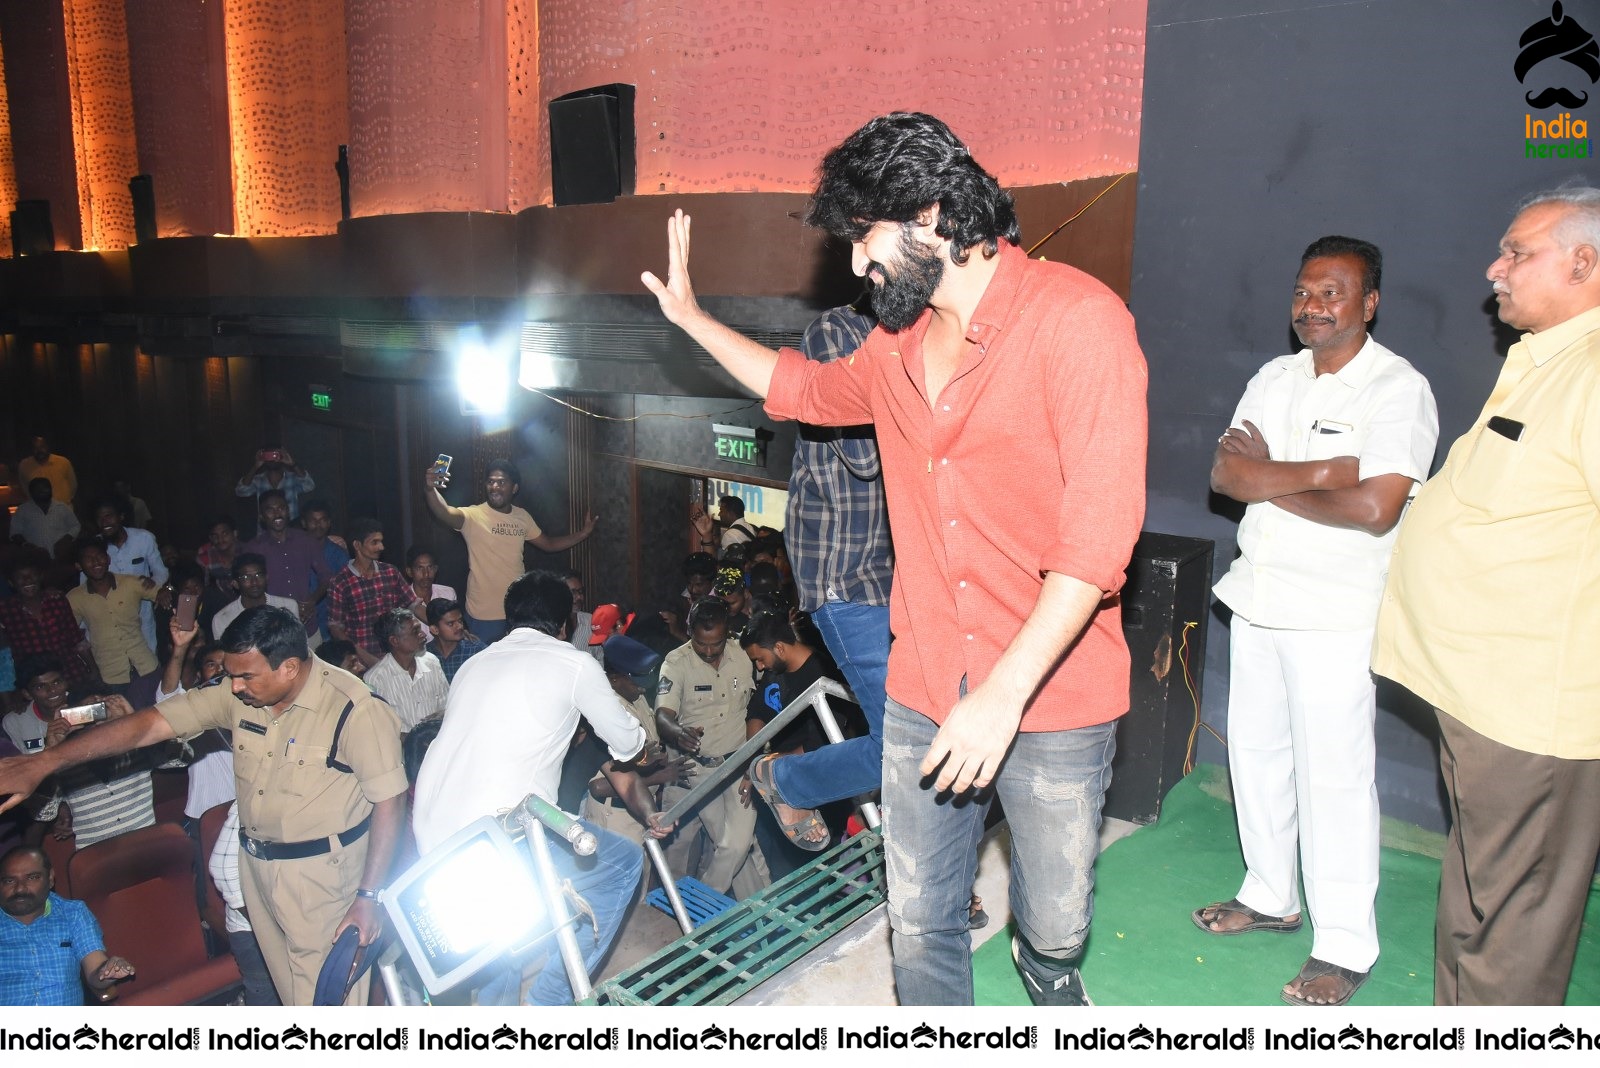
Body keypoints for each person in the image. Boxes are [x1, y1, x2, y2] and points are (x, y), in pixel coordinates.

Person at [642, 112, 1147, 1006]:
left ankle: (1049, 961)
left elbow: (1098, 541)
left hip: (1056, 695)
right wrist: (690, 319)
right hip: (925, 683)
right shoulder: (895, 350)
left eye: (863, 241)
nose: (854, 267)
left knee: (1057, 919)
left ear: (930, 215)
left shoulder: (1079, 322)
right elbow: (795, 387)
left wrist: (1003, 695)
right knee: (918, 922)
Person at [1373, 185, 1600, 1006]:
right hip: (1485, 705)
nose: (1493, 269)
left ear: (1584, 262)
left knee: (1516, 927)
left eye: (1517, 253)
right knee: (1477, 903)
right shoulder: (1546, 361)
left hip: (1537, 716)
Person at [1198, 236, 1438, 1007]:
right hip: (1259, 598)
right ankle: (1270, 895)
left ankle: (1344, 944)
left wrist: (1271, 481)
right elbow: (1225, 474)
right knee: (1258, 757)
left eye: (1332, 293)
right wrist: (1327, 471)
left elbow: (1376, 507)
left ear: (1370, 304)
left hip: (1336, 612)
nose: (1312, 307)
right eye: (1303, 293)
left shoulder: (1397, 388)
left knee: (1335, 778)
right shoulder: (1273, 377)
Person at [0, 605, 407, 1006]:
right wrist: (45, 762)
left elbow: (390, 801)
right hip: (257, 872)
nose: (234, 687)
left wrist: (369, 897)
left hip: (323, 878)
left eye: (245, 675)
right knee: (292, 999)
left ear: (289, 667)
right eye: (231, 675)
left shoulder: (357, 711)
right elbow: (151, 725)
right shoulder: (243, 693)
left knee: (330, 1006)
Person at [411, 570, 669, 1006]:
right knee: (623, 864)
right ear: (566, 623)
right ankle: (550, 1002)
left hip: (431, 834)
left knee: (502, 936)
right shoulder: (573, 663)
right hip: (502, 831)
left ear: (509, 619)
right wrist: (641, 749)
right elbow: (629, 744)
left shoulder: (473, 664)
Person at [656, 597, 767, 899]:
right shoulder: (676, 662)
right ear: (689, 630)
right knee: (729, 844)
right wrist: (678, 733)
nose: (707, 651)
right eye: (700, 643)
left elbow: (764, 699)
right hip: (700, 770)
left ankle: (701, 904)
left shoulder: (743, 655)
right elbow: (662, 716)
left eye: (715, 644)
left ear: (727, 632)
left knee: (737, 843)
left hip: (740, 765)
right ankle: (762, 913)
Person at [422, 459, 596, 642]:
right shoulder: (473, 515)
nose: (495, 486)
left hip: (519, 611)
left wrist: (582, 534)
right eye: (491, 482)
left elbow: (549, 544)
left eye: (501, 482)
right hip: (483, 615)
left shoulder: (522, 516)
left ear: (514, 488)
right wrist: (429, 489)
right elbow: (444, 512)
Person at [740, 611, 860, 876]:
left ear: (780, 647)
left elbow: (820, 741)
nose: (759, 667)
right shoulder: (776, 671)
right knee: (784, 866)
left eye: (760, 658)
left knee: (822, 869)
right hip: (782, 779)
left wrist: (771, 768)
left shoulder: (824, 674)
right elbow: (757, 711)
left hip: (822, 786)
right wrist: (753, 763)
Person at [7, 654, 161, 848]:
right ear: (73, 718)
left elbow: (180, 757)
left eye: (100, 710)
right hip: (95, 856)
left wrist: (135, 722)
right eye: (86, 714)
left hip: (147, 846)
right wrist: (50, 752)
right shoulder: (64, 760)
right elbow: (43, 813)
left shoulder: (134, 747)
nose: (95, 720)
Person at [581, 635, 693, 844]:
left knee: (647, 871)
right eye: (637, 682)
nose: (643, 688)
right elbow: (599, 786)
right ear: (614, 679)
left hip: (642, 811)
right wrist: (659, 777)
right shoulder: (605, 716)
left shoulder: (635, 698)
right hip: (615, 817)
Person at [0, 846, 134, 1005]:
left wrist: (108, 971)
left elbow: (95, 971)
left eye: (32, 877)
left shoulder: (73, 914)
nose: (20, 888)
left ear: (50, 878)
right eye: (9, 880)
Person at [326, 517, 426, 668]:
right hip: (362, 660)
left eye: (381, 541)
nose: (381, 547)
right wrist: (364, 656)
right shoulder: (340, 582)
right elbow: (336, 629)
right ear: (357, 545)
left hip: (395, 654)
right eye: (374, 542)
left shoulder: (390, 572)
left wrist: (440, 623)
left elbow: (413, 605)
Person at [208, 802, 280, 1005]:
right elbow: (222, 869)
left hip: (302, 921)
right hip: (253, 929)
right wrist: (267, 927)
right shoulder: (255, 796)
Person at [66, 538, 160, 689]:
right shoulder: (74, 598)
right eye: (88, 559)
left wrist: (165, 591)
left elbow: (165, 595)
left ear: (108, 559)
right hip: (110, 676)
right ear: (79, 565)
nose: (96, 562)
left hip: (146, 667)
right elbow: (70, 636)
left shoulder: (131, 583)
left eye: (99, 556)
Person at [243, 490, 331, 641]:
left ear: (288, 511)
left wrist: (312, 601)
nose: (277, 514)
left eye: (281, 508)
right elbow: (248, 589)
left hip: (307, 624)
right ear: (261, 517)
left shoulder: (306, 540)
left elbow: (327, 577)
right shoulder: (253, 548)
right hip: (274, 628)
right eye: (270, 510)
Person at [87, 494, 169, 653]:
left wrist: (154, 583)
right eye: (99, 518)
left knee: (149, 661)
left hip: (142, 615)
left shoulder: (144, 538)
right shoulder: (94, 547)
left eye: (109, 516)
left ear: (121, 517)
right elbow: (85, 585)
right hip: (110, 618)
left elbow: (161, 571)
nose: (104, 522)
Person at [0, 560, 96, 688]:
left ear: (40, 577)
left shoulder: (57, 600)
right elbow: (4, 655)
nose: (27, 580)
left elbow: (76, 637)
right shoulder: (6, 610)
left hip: (71, 674)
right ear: (11, 583)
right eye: (20, 577)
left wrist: (93, 669)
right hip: (36, 681)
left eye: (32, 575)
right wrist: (9, 691)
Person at [363, 607, 449, 732]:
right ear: (394, 641)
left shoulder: (432, 662)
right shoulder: (375, 679)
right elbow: (379, 728)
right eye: (415, 631)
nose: (424, 634)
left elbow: (446, 705)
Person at [211, 553, 299, 640]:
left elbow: (296, 643)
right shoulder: (223, 618)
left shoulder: (287, 606)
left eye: (258, 575)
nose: (254, 582)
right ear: (235, 584)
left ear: (267, 578)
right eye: (246, 577)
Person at [300, 500, 350, 641]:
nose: (318, 525)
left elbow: (346, 590)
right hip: (303, 622)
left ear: (329, 523)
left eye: (322, 520)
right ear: (304, 523)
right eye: (313, 521)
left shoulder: (338, 554)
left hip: (330, 622)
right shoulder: (295, 552)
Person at [234, 445, 315, 521]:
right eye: (268, 455)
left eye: (276, 455)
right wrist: (255, 466)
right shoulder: (258, 480)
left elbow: (309, 486)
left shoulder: (292, 478)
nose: (272, 459)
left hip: (291, 529)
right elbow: (241, 491)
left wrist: (292, 464)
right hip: (266, 532)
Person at [9, 477, 79, 559]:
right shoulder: (23, 510)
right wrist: (26, 545)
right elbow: (14, 533)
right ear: (31, 492)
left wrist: (66, 539)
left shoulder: (62, 507)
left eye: (46, 488)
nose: (43, 491)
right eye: (38, 489)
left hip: (61, 556)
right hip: (35, 558)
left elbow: (76, 526)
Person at [424, 597, 485, 683]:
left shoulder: (476, 651)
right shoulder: (423, 655)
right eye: (451, 624)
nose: (459, 626)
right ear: (434, 629)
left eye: (460, 621)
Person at [17, 437, 76, 510]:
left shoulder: (63, 462)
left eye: (42, 446)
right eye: (36, 448)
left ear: (48, 447)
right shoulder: (25, 465)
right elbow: (24, 487)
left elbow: (73, 484)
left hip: (63, 509)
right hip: (39, 511)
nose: (39, 450)